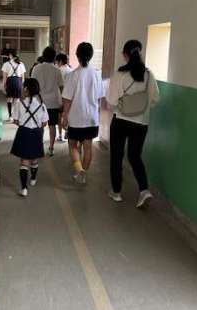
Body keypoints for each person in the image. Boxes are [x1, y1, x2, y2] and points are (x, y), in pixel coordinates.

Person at [106, 39, 160, 208]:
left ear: (125, 54)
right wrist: (141, 108)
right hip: (141, 123)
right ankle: (144, 190)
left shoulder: (120, 74)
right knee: (135, 156)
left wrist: (122, 105)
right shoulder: (148, 74)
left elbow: (111, 101)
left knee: (117, 156)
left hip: (121, 121)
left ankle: (116, 192)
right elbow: (155, 98)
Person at [62, 42, 105, 184]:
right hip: (91, 118)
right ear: (91, 56)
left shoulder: (72, 75)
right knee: (88, 147)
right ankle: (83, 174)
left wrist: (65, 117)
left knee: (72, 145)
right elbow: (99, 98)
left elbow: (67, 99)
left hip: (76, 118)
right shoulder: (97, 74)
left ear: (77, 55)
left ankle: (79, 169)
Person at [11, 78, 49, 197]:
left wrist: (22, 122)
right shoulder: (41, 105)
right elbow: (44, 123)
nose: (22, 89)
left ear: (26, 89)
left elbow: (15, 120)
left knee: (24, 161)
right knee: (34, 159)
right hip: (36, 133)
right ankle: (33, 179)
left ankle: (24, 188)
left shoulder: (19, 103)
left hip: (23, 132)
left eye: (23, 87)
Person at [32, 46, 64, 156]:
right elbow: (61, 87)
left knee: (40, 125)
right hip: (53, 103)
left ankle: (38, 146)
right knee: (52, 125)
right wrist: (62, 102)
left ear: (43, 56)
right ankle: (51, 148)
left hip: (39, 102)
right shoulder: (57, 70)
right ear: (54, 57)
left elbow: (33, 85)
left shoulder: (36, 68)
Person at [1, 50, 26, 120]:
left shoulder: (6, 64)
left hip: (10, 81)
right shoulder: (21, 64)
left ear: (11, 55)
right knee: (17, 100)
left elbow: (4, 77)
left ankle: (10, 116)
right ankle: (16, 116)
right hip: (18, 81)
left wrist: (4, 86)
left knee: (9, 99)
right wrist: (22, 86)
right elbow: (23, 78)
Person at [55, 53, 71, 142]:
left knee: (59, 116)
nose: (56, 64)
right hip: (70, 97)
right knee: (67, 115)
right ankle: (67, 130)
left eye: (57, 62)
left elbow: (57, 85)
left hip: (60, 97)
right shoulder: (71, 70)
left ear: (60, 61)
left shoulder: (59, 70)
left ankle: (60, 135)